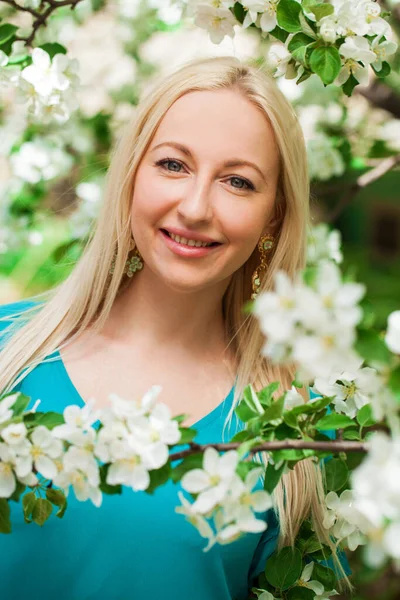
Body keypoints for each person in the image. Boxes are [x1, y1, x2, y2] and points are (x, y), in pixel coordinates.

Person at [0, 56, 350, 599]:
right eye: (172, 165)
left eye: (238, 181)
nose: (195, 206)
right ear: (131, 174)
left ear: (273, 217)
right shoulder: (8, 349)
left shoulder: (300, 429)